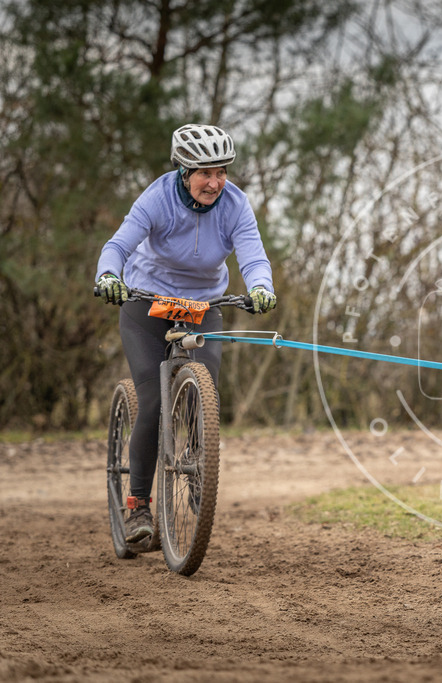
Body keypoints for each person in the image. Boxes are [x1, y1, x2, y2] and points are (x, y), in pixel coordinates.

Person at [95, 123, 277, 544]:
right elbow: (118, 246)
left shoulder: (236, 204)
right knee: (153, 401)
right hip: (147, 303)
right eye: (205, 173)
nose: (215, 183)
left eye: (221, 172)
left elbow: (253, 256)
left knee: (204, 389)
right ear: (184, 171)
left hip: (202, 307)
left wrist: (261, 287)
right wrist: (108, 275)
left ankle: (199, 465)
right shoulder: (157, 198)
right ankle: (139, 506)